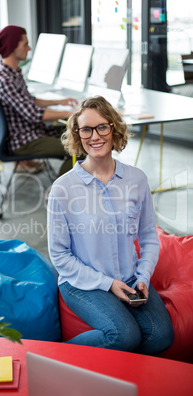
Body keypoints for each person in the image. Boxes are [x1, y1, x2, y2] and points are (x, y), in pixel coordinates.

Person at [47, 96, 174, 355]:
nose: (95, 136)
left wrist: (143, 277)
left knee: (162, 336)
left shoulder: (136, 179)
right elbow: (59, 256)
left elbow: (149, 236)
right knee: (124, 335)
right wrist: (107, 284)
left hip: (129, 277)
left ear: (113, 128)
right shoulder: (63, 189)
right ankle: (54, 356)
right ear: (77, 134)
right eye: (86, 129)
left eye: (102, 127)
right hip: (81, 281)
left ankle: (117, 375)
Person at [0, 25, 80, 176]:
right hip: (24, 141)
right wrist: (70, 113)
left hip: (31, 132)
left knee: (81, 135)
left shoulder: (12, 73)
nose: (29, 48)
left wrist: (59, 102)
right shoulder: (6, 80)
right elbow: (34, 114)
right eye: (25, 44)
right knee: (80, 146)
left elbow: (30, 101)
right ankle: (58, 193)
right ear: (12, 47)